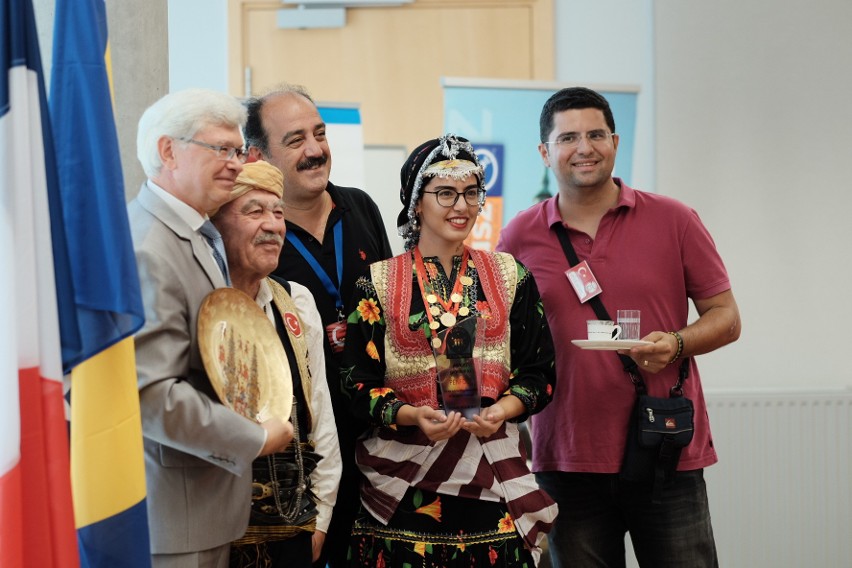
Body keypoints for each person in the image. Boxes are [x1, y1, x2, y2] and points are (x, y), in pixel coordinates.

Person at [496, 86, 742, 567]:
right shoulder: (519, 236)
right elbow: (502, 340)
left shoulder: (674, 219)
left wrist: (675, 343)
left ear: (615, 141)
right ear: (545, 152)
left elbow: (727, 318)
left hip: (665, 448)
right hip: (566, 456)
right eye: (568, 137)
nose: (584, 147)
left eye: (596, 134)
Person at [341, 134, 558, 567]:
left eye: (471, 192)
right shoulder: (376, 282)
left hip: (492, 478)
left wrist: (504, 410)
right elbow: (355, 385)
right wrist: (410, 415)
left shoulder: (511, 275)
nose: (461, 206)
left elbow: (541, 373)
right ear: (416, 203)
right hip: (402, 483)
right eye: (445, 193)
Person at [129, 89, 294, 568]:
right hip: (171, 518)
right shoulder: (150, 247)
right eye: (220, 149)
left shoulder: (194, 232)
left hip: (198, 510)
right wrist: (254, 438)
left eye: (238, 150)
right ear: (167, 151)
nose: (236, 164)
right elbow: (151, 395)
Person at [244, 84, 393, 567]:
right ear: (257, 155)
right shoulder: (255, 235)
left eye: (320, 134)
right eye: (295, 140)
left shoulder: (362, 207)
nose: (315, 150)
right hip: (302, 455)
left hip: (379, 438)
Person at [210, 160, 342, 567]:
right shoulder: (200, 304)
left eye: (278, 212)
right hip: (214, 533)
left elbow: (320, 416)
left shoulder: (295, 303)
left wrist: (321, 518)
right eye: (254, 211)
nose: (273, 225)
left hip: (293, 528)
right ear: (216, 224)